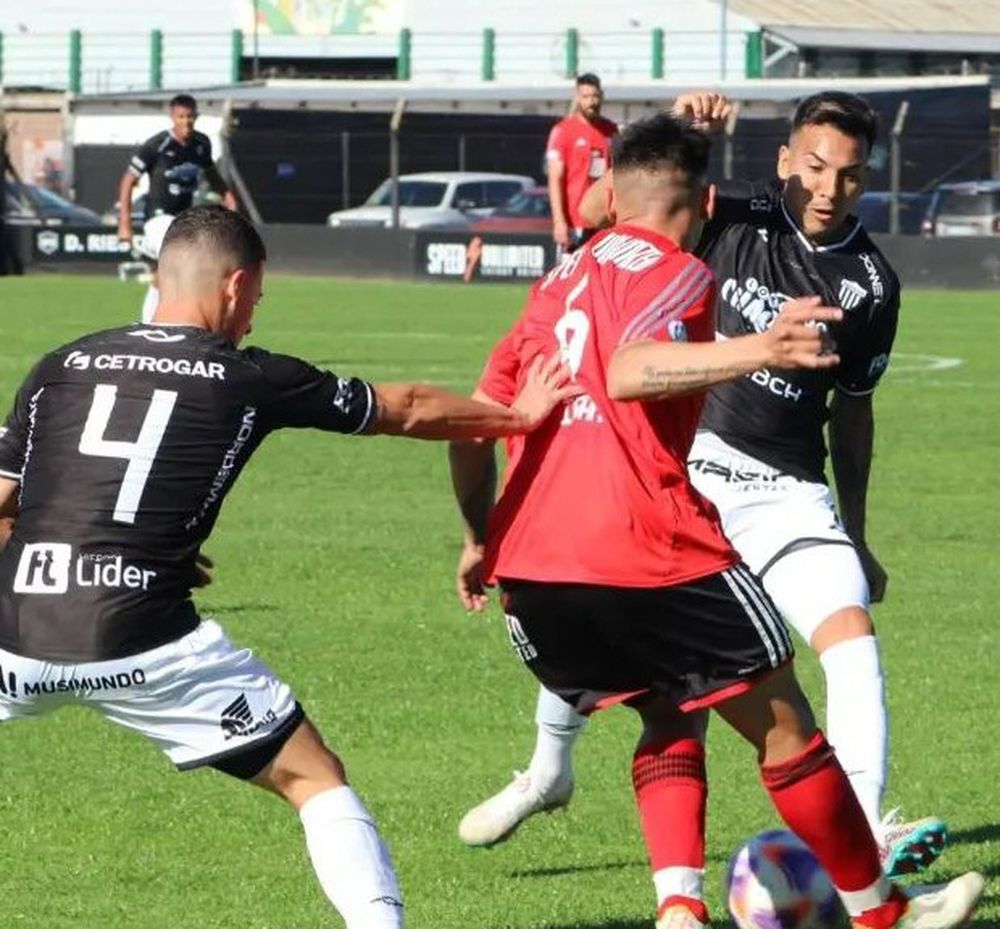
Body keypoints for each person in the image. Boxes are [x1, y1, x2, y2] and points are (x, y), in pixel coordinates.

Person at [448, 113, 982, 929]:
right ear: (708, 199)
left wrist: (480, 534)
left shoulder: (557, 279)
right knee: (784, 726)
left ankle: (680, 908)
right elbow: (631, 369)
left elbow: (480, 418)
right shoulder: (687, 266)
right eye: (814, 166)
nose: (831, 187)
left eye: (849, 172)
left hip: (538, 565)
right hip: (651, 536)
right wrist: (758, 348)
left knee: (667, 705)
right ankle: (882, 914)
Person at [0, 205, 577, 929]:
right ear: (237, 285)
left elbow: (4, 504)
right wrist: (518, 417)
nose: (251, 317)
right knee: (315, 778)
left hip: (13, 630)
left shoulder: (62, 362)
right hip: (140, 638)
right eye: (258, 300)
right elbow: (406, 407)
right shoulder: (246, 374)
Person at [117, 93, 238, 323]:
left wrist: (230, 200)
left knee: (164, 274)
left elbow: (213, 176)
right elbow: (127, 181)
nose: (186, 122)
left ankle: (151, 325)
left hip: (184, 220)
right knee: (180, 262)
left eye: (190, 117)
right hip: (157, 219)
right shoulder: (157, 145)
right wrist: (125, 224)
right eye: (181, 117)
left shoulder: (201, 145)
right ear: (173, 117)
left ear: (196, 116)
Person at [545, 72, 619, 253]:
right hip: (575, 223)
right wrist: (559, 222)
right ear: (577, 98)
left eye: (595, 96)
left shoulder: (611, 130)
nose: (592, 102)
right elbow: (555, 179)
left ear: (601, 96)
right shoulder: (563, 130)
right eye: (586, 97)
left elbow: (618, 175)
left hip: (604, 222)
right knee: (571, 278)